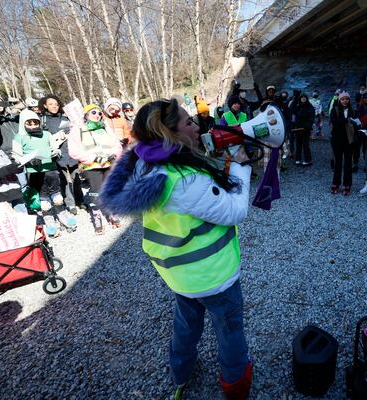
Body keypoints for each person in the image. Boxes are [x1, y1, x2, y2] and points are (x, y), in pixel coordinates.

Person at [99, 98, 253, 400]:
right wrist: (241, 166)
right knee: (230, 330)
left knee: (186, 326)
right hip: (214, 275)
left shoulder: (145, 163)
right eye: (188, 122)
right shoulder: (185, 180)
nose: (196, 127)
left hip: (180, 275)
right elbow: (235, 211)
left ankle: (181, 372)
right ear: (170, 134)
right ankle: (236, 384)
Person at [13, 109, 69, 236]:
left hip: (51, 169)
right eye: (29, 123)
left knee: (57, 197)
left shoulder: (46, 134)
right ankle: (49, 221)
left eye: (35, 122)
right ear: (23, 124)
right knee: (44, 201)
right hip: (34, 172)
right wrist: (28, 161)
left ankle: (62, 215)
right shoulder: (19, 137)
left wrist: (56, 153)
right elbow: (16, 156)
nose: (33, 125)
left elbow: (54, 147)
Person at [68, 104, 122, 234]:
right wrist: (94, 158)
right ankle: (97, 218)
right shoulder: (78, 129)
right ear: (86, 115)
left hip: (109, 164)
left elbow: (116, 144)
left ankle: (112, 213)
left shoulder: (105, 127)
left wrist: (114, 154)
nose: (97, 115)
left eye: (99, 113)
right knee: (95, 192)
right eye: (93, 113)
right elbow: (74, 151)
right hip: (92, 167)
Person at [39, 95, 84, 215]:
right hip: (57, 155)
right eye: (51, 104)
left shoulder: (67, 117)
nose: (54, 106)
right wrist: (55, 137)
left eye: (56, 104)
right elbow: (43, 140)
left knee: (76, 178)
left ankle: (80, 201)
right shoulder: (43, 121)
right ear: (45, 106)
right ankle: (70, 204)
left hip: (71, 151)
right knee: (63, 180)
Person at [329, 92, 358, 195]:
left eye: (347, 99)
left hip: (349, 140)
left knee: (348, 163)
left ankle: (347, 184)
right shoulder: (335, 109)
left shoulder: (353, 111)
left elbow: (356, 124)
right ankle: (336, 183)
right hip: (337, 139)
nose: (345, 101)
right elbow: (334, 122)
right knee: (338, 163)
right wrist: (346, 120)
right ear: (339, 100)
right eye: (343, 99)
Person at [293, 93, 315, 166]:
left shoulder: (310, 107)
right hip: (298, 129)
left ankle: (308, 160)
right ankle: (298, 159)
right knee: (298, 144)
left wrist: (307, 126)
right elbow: (292, 112)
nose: (303, 99)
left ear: (306, 98)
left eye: (304, 97)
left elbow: (311, 118)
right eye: (302, 97)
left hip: (305, 129)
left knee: (305, 145)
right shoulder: (298, 106)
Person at [355, 92, 367, 171]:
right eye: (365, 97)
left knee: (366, 149)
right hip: (359, 131)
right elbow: (356, 118)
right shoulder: (358, 107)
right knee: (356, 149)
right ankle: (355, 163)